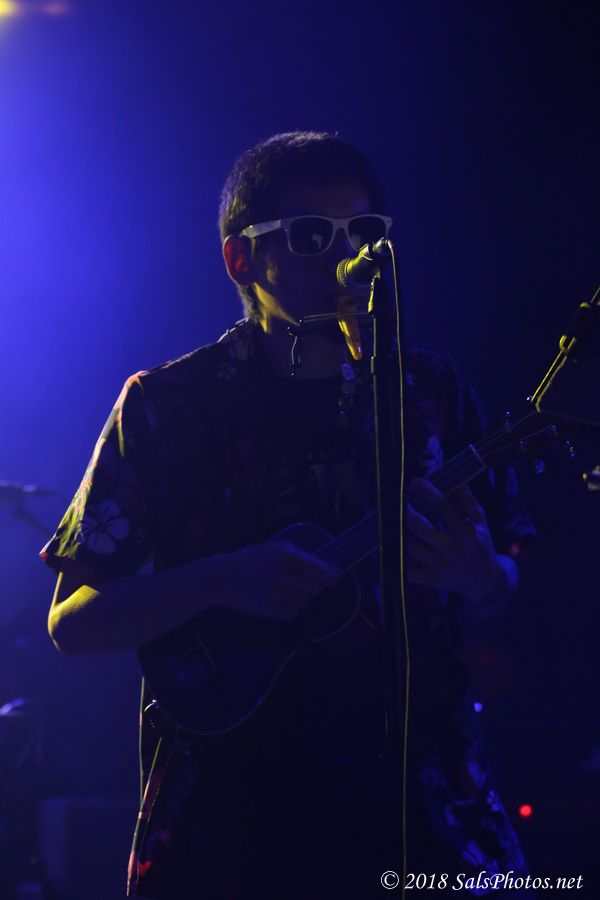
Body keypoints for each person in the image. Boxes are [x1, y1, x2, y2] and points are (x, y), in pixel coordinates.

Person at [42, 131, 535, 899]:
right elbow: (73, 622)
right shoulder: (168, 405)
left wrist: (483, 579)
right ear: (241, 259)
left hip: (421, 793)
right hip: (230, 812)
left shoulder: (428, 390)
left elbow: (508, 580)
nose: (345, 257)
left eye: (363, 233)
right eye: (310, 236)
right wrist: (220, 580)